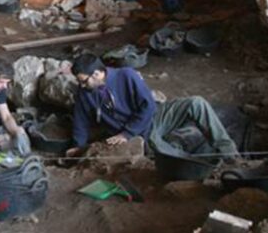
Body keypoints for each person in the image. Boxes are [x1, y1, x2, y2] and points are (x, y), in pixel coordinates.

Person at [67, 53, 238, 158]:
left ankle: (230, 154)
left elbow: (147, 106)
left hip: (153, 116)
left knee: (196, 103)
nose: (81, 85)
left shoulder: (126, 75)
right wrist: (77, 147)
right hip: (138, 134)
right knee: (164, 153)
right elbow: (80, 122)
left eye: (83, 81)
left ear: (97, 73)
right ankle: (203, 165)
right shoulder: (85, 93)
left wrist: (127, 133)